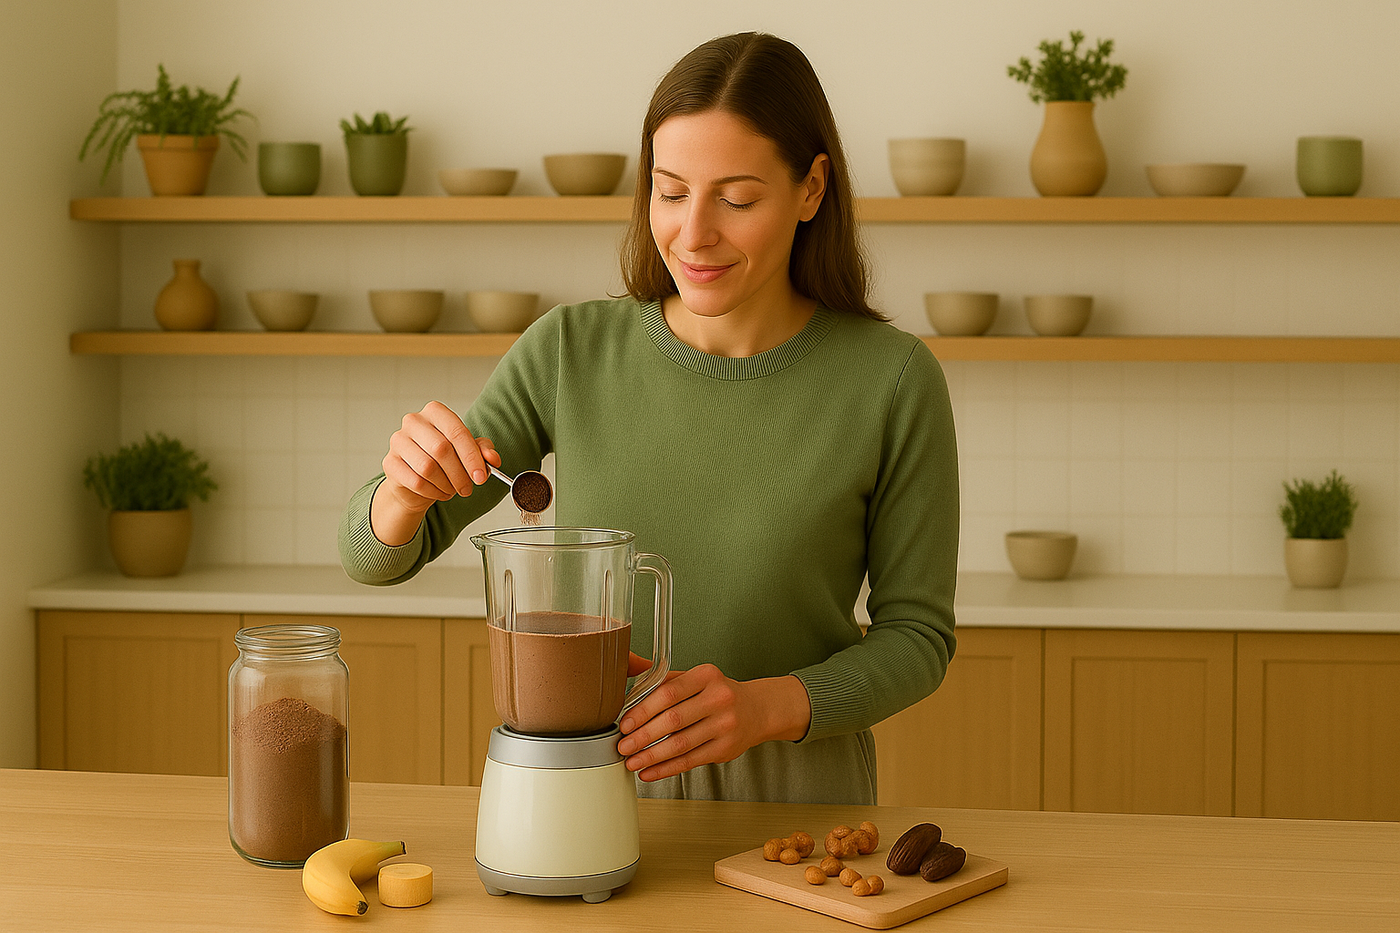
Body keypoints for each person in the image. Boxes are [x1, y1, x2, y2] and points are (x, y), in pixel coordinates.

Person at [339, 31, 958, 805]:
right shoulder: (569, 351)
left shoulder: (893, 380)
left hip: (799, 817)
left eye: (736, 199)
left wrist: (765, 706)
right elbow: (373, 555)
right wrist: (402, 493)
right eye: (670, 192)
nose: (693, 234)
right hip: (590, 803)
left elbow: (919, 639)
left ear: (811, 188)